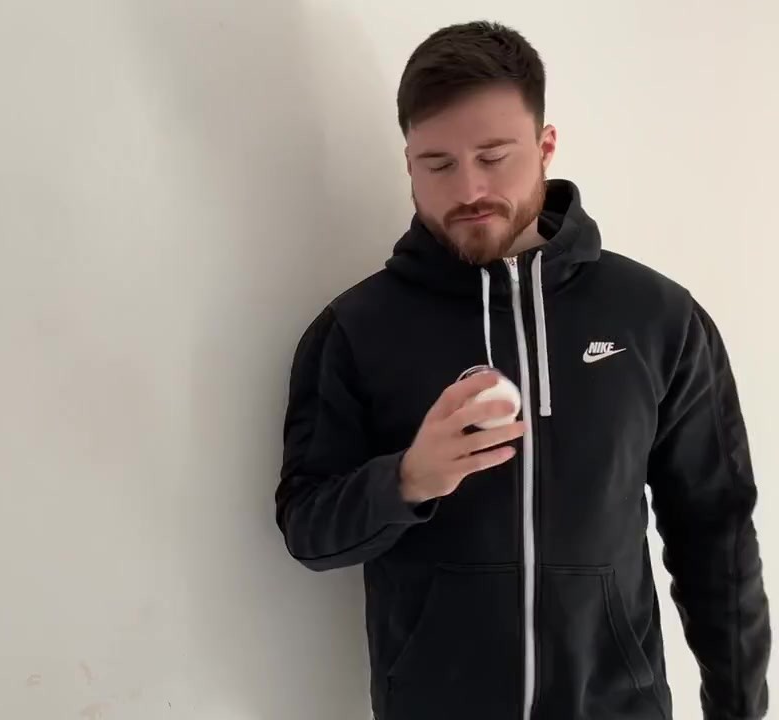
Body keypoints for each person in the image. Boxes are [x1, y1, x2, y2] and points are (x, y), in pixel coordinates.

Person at [275, 20, 770, 720]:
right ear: (409, 164)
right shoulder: (357, 330)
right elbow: (308, 531)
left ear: (545, 147)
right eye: (438, 164)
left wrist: (740, 708)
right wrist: (407, 480)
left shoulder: (657, 318)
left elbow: (716, 533)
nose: (468, 188)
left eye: (493, 156)